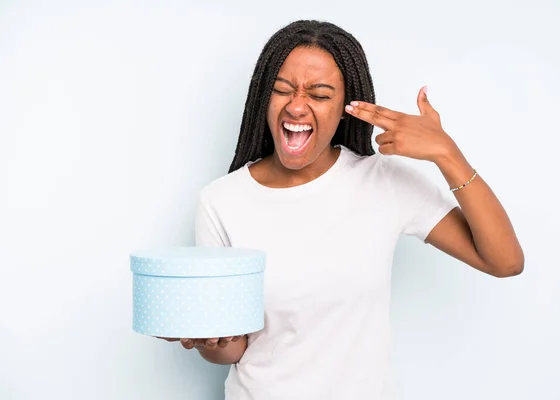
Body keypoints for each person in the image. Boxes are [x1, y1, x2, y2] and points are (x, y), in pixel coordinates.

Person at [160, 20, 524, 399]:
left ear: (346, 108)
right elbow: (236, 350)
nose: (296, 106)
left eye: (318, 95)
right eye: (282, 89)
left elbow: (505, 261)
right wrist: (208, 338)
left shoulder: (384, 182)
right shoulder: (221, 201)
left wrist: (447, 154)